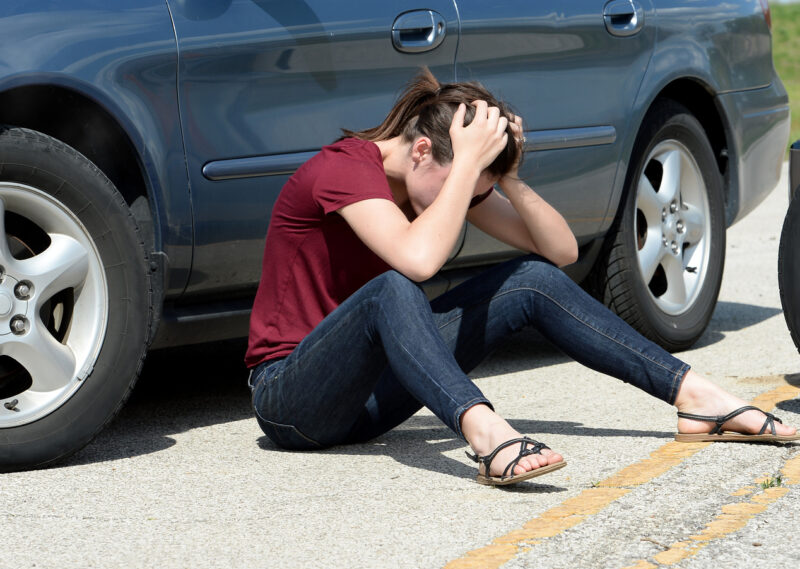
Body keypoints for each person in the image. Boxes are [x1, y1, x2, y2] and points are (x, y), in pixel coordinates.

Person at [246, 69, 797, 487]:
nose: (465, 198)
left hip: (370, 399)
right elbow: (415, 262)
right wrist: (464, 168)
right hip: (293, 401)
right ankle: (485, 433)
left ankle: (696, 396)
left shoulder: (438, 178)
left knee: (528, 278)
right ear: (420, 150)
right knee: (394, 288)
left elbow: (556, 251)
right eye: (460, 178)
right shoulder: (343, 169)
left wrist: (504, 179)